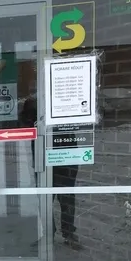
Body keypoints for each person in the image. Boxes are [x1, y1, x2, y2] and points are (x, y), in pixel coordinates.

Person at [21, 100, 81, 249]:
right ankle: (49, 234)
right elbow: (22, 123)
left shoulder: (64, 99)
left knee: (67, 198)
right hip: (43, 158)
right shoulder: (34, 102)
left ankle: (68, 233)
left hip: (66, 155)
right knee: (44, 199)